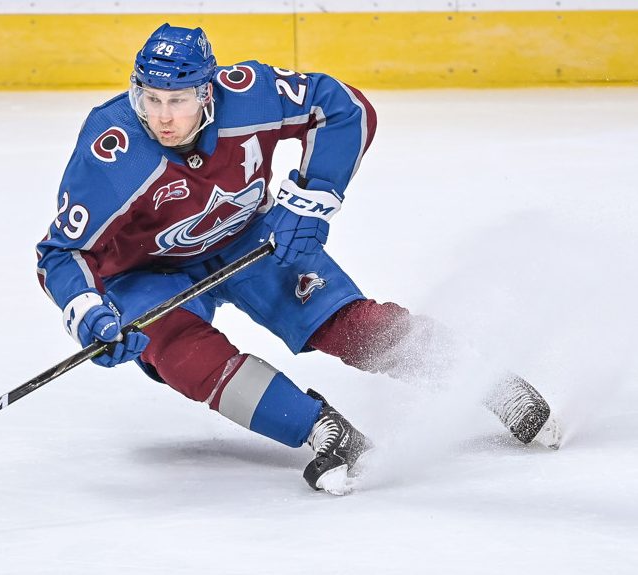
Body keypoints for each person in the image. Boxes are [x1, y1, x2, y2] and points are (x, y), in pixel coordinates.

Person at [36, 24, 561, 495]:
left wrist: (316, 197)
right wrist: (89, 314)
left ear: (208, 92)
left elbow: (344, 107)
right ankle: (321, 429)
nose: (162, 117)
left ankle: (483, 380)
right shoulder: (113, 149)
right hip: (144, 274)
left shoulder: (251, 93)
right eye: (150, 99)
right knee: (177, 351)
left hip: (247, 238)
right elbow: (60, 252)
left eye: (177, 100)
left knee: (342, 324)